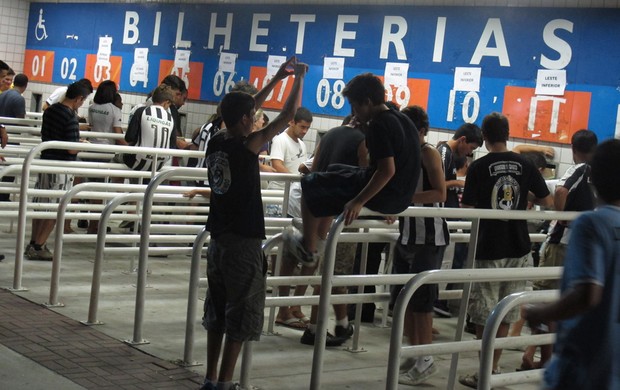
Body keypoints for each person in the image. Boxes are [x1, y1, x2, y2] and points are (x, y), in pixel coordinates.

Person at [199, 57, 306, 390]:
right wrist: (298, 79)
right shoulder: (248, 145)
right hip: (243, 244)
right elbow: (287, 116)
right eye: (253, 117)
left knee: (217, 314)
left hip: (217, 241)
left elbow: (241, 108)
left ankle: (211, 378)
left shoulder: (218, 140)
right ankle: (226, 383)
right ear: (246, 121)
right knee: (241, 314)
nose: (257, 118)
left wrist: (276, 78)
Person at [285, 73, 421, 269]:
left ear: (367, 102)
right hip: (402, 197)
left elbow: (386, 171)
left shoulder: (378, 124)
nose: (354, 112)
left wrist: (358, 201)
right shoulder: (403, 119)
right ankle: (317, 241)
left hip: (388, 195)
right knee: (335, 170)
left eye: (354, 106)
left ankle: (309, 249)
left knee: (310, 182)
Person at [457, 112, 553, 388]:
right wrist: (525, 196)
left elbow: (466, 209)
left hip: (488, 245)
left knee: (484, 312)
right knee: (505, 311)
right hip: (519, 246)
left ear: (485, 137)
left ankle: (484, 370)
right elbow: (546, 201)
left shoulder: (478, 166)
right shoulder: (525, 164)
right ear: (508, 134)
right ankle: (494, 367)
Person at [521, 138, 620, 390]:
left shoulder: (591, 224)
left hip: (585, 355)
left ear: (594, 179)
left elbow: (587, 294)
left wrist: (541, 312)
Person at [519, 129, 598, 371]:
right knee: (557, 300)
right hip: (578, 249)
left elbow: (561, 190)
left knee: (545, 300)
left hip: (559, 244)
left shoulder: (579, 168)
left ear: (573, 148)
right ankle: (537, 355)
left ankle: (542, 357)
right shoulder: (599, 175)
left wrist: (561, 218)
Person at [286, 115, 368, 345]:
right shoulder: (364, 140)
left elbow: (313, 169)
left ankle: (338, 324)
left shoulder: (330, 134)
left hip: (319, 206)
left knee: (324, 270)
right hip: (344, 212)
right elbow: (367, 175)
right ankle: (318, 328)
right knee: (333, 275)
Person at [393, 106, 449, 386]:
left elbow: (440, 192)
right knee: (406, 298)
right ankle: (416, 354)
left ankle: (425, 358)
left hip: (429, 236)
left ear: (422, 131)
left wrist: (406, 198)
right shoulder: (404, 153)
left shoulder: (429, 153)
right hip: (407, 234)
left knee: (423, 300)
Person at [25, 81, 91, 260]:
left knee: (41, 205)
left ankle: (33, 243)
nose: (82, 104)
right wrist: (82, 145)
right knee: (55, 208)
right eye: (83, 100)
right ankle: (39, 246)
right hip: (61, 166)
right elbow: (71, 149)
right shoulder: (70, 116)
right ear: (78, 98)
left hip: (45, 162)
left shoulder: (51, 110)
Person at [434, 123, 482, 318]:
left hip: (447, 219)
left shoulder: (450, 155)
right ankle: (428, 310)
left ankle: (430, 309)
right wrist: (456, 183)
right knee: (437, 265)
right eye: (470, 148)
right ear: (463, 140)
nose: (469, 153)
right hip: (440, 218)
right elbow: (438, 185)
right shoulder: (444, 152)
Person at [123, 84, 176, 173]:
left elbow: (129, 137)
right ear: (166, 102)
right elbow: (172, 145)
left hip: (136, 161)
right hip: (158, 165)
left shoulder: (141, 111)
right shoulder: (170, 118)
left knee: (116, 158)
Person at [267, 107, 312, 191]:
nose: (305, 131)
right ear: (292, 122)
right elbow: (277, 165)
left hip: (292, 192)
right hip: (278, 193)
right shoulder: (280, 140)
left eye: (307, 128)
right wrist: (296, 181)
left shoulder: (302, 144)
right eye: (302, 127)